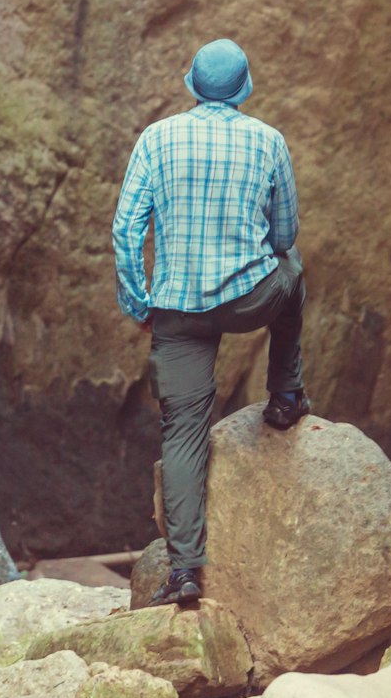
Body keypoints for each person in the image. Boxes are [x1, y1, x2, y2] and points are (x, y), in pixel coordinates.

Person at [112, 37, 310, 607]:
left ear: (192, 86)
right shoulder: (268, 141)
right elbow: (284, 237)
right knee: (293, 273)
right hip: (250, 297)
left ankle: (185, 574)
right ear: (245, 89)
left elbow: (126, 230)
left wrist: (139, 302)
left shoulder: (156, 138)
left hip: (176, 310)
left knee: (182, 433)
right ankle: (286, 394)